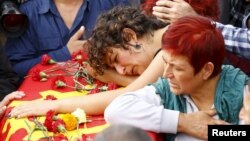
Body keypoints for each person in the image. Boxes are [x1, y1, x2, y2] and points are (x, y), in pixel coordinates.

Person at [9, 7, 228, 140]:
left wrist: (52, 106)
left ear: (131, 36)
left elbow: (130, 93)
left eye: (116, 61)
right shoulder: (168, 40)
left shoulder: (172, 47)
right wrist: (181, 121)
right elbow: (127, 102)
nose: (168, 73)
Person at [104, 15, 250, 141]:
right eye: (166, 63)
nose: (166, 73)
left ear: (206, 70)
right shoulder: (168, 90)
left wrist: (214, 132)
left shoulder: (240, 91)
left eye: (177, 68)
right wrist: (183, 122)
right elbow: (115, 111)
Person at [4, 0, 132, 80]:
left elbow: (136, 50)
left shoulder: (113, 2)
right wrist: (65, 53)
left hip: (108, 90)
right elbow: (16, 70)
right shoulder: (29, 12)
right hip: (46, 100)